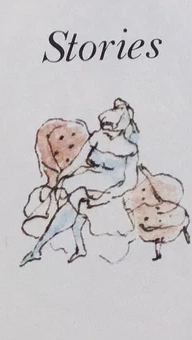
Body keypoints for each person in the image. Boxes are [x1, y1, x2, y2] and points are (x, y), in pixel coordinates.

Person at [20, 98, 140, 265]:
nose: (106, 131)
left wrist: (107, 196)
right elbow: (80, 160)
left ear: (120, 127)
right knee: (71, 202)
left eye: (110, 128)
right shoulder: (97, 137)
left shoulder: (130, 149)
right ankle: (75, 248)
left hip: (109, 186)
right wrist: (65, 174)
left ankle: (38, 248)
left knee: (72, 204)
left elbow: (130, 181)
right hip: (91, 177)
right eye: (104, 126)